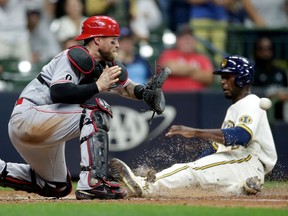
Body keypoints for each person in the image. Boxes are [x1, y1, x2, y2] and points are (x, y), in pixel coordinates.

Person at [0, 15, 166, 200]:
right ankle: (93, 183)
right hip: (28, 117)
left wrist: (145, 94)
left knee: (56, 186)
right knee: (96, 112)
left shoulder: (104, 64)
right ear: (97, 40)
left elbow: (126, 87)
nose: (118, 45)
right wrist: (98, 86)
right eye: (113, 40)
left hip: (44, 126)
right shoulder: (72, 56)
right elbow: (59, 93)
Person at [110, 55, 278, 197]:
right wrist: (198, 162)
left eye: (228, 76)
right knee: (197, 178)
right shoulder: (235, 107)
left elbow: (241, 136)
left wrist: (195, 132)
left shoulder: (251, 101)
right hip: (239, 166)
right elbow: (216, 149)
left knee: (192, 172)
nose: (223, 81)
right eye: (222, 77)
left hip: (246, 161)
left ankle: (144, 186)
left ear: (242, 78)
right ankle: (242, 188)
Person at [157, 25, 214, 92]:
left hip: (196, 99)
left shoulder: (202, 58)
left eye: (190, 38)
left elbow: (209, 78)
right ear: (178, 41)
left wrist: (183, 71)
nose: (187, 40)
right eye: (184, 38)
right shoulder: (168, 54)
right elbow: (170, 69)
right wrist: (195, 70)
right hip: (170, 96)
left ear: (195, 41)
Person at [252, 36, 288, 121]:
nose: (265, 52)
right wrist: (272, 96)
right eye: (261, 49)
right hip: (259, 117)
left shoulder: (280, 72)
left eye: (269, 48)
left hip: (280, 117)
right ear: (256, 51)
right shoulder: (252, 73)